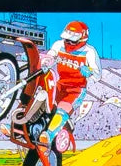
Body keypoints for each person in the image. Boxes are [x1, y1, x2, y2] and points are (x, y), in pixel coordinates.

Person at [38, 21, 101, 150]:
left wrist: (89, 71)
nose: (68, 43)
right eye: (67, 39)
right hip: (59, 84)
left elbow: (98, 75)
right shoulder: (59, 45)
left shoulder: (89, 52)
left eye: (72, 41)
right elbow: (50, 56)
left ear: (82, 39)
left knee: (62, 110)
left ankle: (48, 135)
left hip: (76, 90)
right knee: (41, 99)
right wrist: (45, 62)